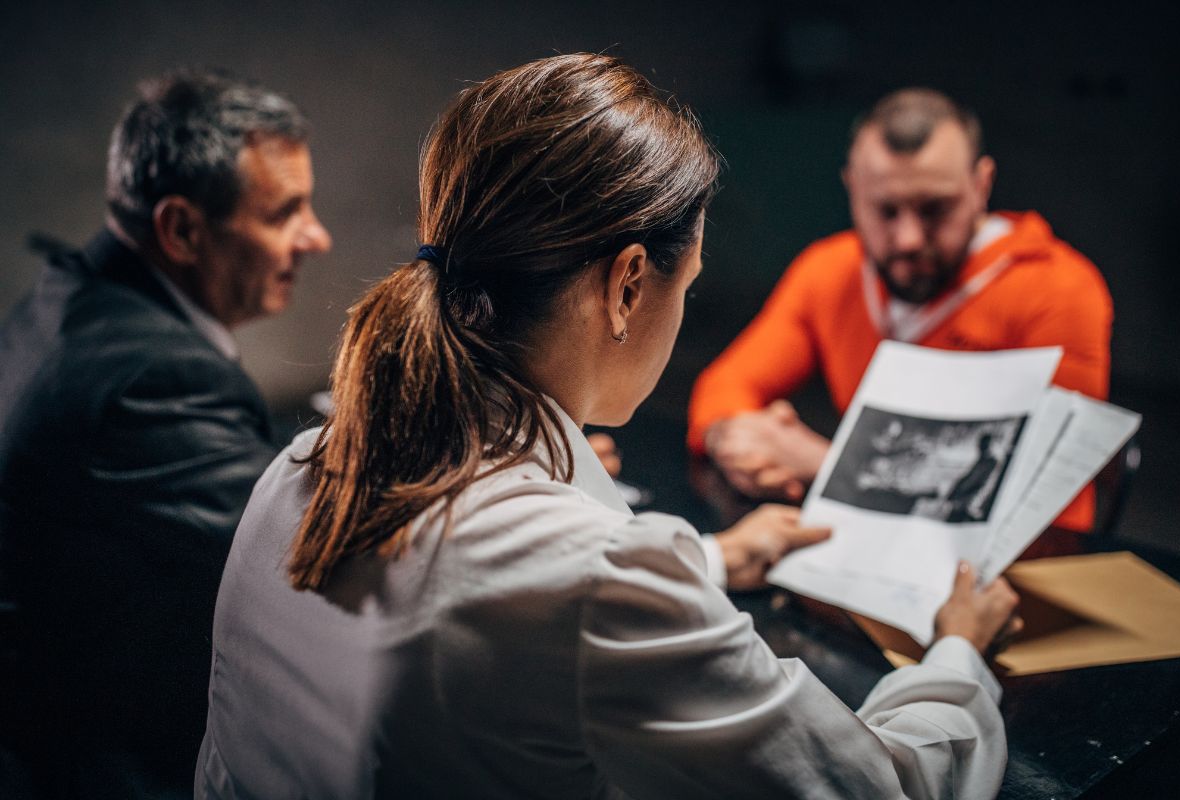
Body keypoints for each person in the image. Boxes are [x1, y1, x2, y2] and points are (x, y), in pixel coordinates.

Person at [197, 54, 1019, 799]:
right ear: (627, 285)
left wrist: (706, 557)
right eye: (686, 286)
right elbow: (886, 788)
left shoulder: (303, 466)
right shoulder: (599, 581)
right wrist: (956, 655)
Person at [0, 69, 331, 797]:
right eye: (285, 213)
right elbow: (310, 548)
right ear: (181, 229)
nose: (318, 238)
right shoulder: (152, 379)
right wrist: (487, 463)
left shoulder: (71, 296)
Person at [689, 88, 1112, 532]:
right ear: (852, 187)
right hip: (876, 539)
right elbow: (726, 385)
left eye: (935, 209)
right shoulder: (831, 270)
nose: (908, 238)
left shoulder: (1058, 288)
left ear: (981, 185)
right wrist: (736, 439)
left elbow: (1044, 481)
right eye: (885, 210)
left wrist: (830, 465)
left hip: (1025, 559)